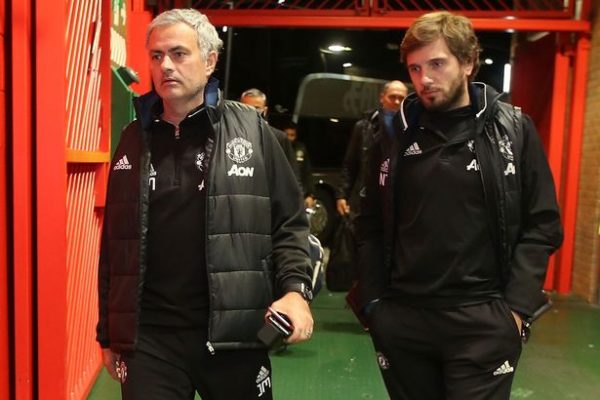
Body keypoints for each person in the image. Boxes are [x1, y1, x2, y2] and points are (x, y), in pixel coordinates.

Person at [96, 8, 314, 400]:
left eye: (179, 54)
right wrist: (109, 333)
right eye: (157, 56)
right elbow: (115, 244)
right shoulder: (131, 138)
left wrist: (295, 291)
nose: (166, 65)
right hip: (152, 339)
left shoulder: (254, 131)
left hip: (235, 336)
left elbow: (290, 224)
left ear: (210, 60)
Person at [356, 11, 563, 400]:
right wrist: (374, 305)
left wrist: (516, 310)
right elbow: (369, 223)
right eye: (415, 68)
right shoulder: (393, 134)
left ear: (468, 62)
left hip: (483, 319)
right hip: (403, 320)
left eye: (437, 64)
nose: (425, 79)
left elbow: (543, 223)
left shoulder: (513, 129)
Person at [336, 80, 408, 217]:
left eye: (401, 98)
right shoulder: (364, 127)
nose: (397, 102)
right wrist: (342, 195)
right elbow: (350, 163)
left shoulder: (411, 129)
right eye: (392, 97)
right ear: (382, 98)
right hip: (368, 197)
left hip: (398, 199)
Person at [239, 88, 302, 191]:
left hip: (267, 193)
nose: (251, 111)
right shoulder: (228, 134)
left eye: (256, 108)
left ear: (265, 110)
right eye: (246, 107)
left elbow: (292, 174)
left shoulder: (278, 138)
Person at [283, 121, 315, 209]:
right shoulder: (277, 148)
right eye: (287, 134)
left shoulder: (301, 149)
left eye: (292, 135)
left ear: (296, 136)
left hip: (299, 194)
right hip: (282, 193)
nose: (289, 138)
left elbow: (307, 172)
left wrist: (310, 194)